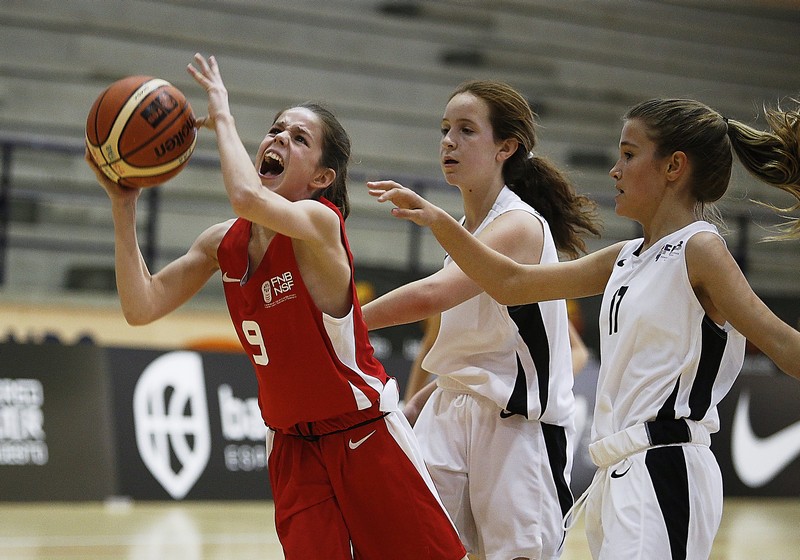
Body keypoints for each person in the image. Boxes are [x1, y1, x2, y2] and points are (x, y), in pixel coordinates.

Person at [368, 97, 800, 560]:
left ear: (674, 166)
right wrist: (439, 220)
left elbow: (779, 341)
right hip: (615, 469)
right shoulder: (625, 256)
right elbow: (512, 283)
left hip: (667, 462)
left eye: (629, 155)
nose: (615, 170)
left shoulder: (701, 249)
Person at [85, 53, 467, 560]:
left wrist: (221, 111)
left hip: (363, 436)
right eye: (275, 129)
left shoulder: (319, 224)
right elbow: (141, 306)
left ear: (321, 178)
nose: (279, 138)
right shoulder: (221, 243)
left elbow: (244, 196)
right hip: (291, 447)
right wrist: (123, 204)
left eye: (299, 138)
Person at [362, 79, 601, 560]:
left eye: (467, 130)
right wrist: (421, 399)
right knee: (417, 549)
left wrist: (344, 320)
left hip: (519, 427)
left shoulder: (521, 225)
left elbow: (433, 294)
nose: (448, 140)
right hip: (450, 413)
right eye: (445, 129)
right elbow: (466, 347)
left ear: (504, 148)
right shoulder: (469, 230)